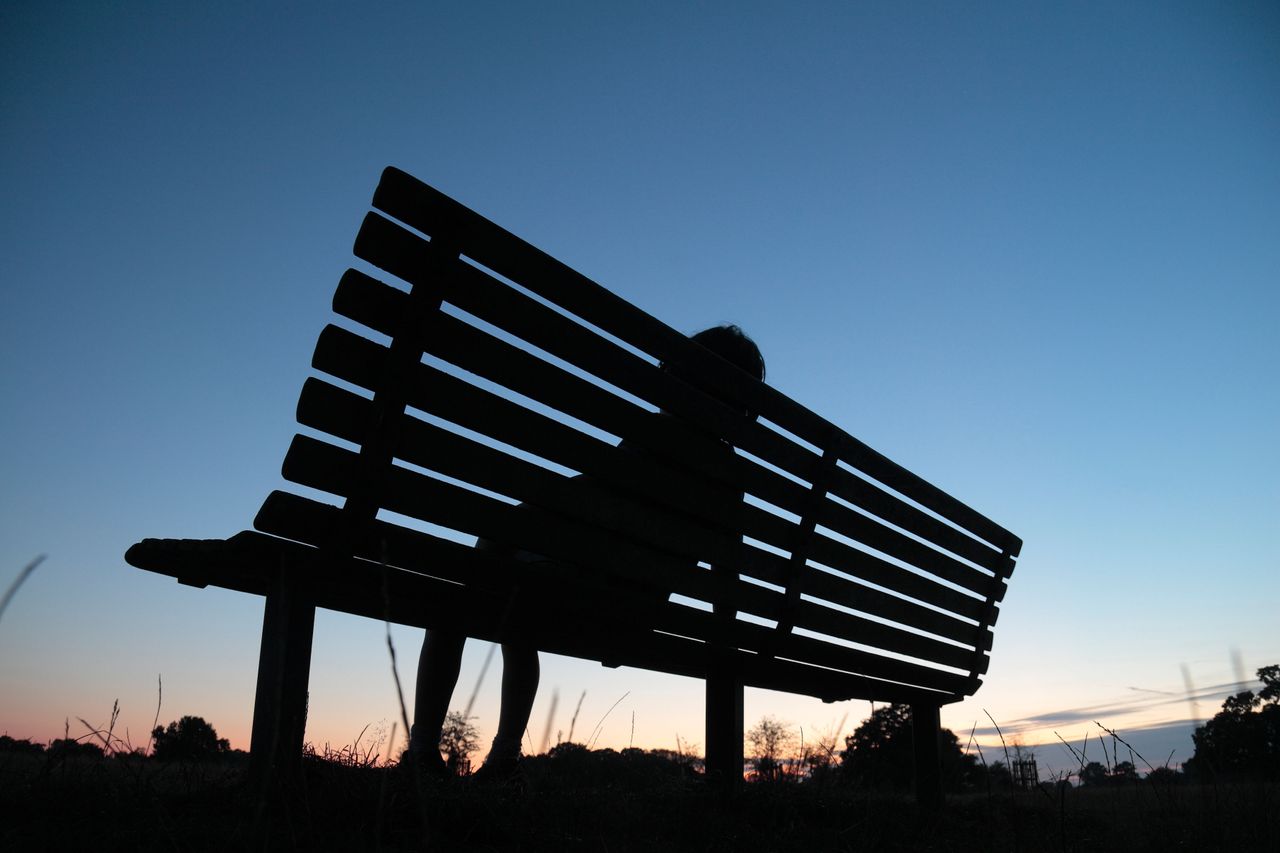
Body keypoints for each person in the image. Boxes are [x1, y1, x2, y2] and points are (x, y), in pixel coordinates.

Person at [408, 324, 765, 779]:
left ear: (682, 377)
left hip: (583, 592)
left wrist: (527, 511)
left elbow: (588, 500)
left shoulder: (649, 435)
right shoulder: (731, 476)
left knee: (458, 594)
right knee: (517, 614)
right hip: (638, 611)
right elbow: (725, 577)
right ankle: (503, 757)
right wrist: (721, 640)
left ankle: (422, 752)